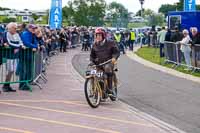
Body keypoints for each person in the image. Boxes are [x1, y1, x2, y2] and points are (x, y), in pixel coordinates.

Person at [90, 28, 120, 97]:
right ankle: (93, 90)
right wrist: (92, 61)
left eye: (100, 35)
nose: (98, 37)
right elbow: (92, 56)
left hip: (109, 62)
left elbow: (116, 52)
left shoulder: (110, 43)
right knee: (92, 73)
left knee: (107, 68)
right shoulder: (94, 45)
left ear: (103, 36)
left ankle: (110, 89)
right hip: (99, 64)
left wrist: (114, 58)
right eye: (97, 35)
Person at [2, 22, 25, 92]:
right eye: (14, 28)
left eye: (16, 28)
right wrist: (18, 46)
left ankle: (7, 85)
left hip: (15, 55)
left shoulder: (17, 34)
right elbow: (9, 43)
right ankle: (5, 85)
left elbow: (20, 41)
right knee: (10, 70)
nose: (16, 29)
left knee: (12, 71)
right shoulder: (6, 33)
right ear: (10, 28)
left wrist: (20, 45)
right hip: (9, 55)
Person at [20, 24, 38, 90]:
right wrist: (34, 46)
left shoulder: (32, 34)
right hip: (24, 54)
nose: (34, 29)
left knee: (29, 70)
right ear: (29, 28)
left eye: (34, 28)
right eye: (33, 28)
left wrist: (35, 46)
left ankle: (26, 83)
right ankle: (22, 85)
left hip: (30, 54)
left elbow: (36, 42)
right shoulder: (25, 33)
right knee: (24, 70)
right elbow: (26, 43)